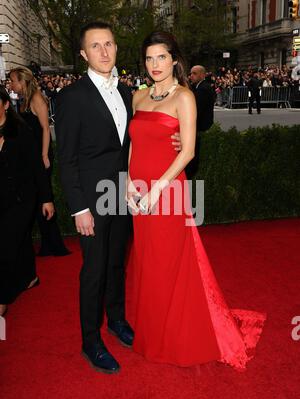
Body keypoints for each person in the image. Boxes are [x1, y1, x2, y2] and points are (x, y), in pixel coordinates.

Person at [126, 31, 266, 370]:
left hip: (168, 187)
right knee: (147, 259)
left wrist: (158, 187)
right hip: (138, 191)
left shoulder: (184, 97)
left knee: (171, 261)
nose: (155, 64)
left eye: (162, 57)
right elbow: (133, 143)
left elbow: (187, 150)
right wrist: (128, 182)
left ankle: (175, 332)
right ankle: (152, 327)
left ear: (174, 58)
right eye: (149, 58)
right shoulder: (139, 97)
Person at [55, 21, 181, 374]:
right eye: (95, 46)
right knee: (93, 270)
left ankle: (117, 321)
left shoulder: (129, 92)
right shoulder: (70, 97)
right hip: (92, 201)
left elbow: (147, 135)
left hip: (125, 194)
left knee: (116, 265)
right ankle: (90, 340)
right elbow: (67, 159)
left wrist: (180, 142)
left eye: (109, 44)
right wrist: (79, 207)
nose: (104, 51)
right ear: (83, 54)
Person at [0, 85, 54, 317]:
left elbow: (36, 167)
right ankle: (30, 276)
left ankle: (2, 301)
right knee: (17, 241)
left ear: (4, 105)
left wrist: (46, 199)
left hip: (22, 199)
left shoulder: (21, 131)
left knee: (4, 247)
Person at [9, 67, 70, 256]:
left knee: (44, 197)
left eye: (13, 80)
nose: (11, 84)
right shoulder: (23, 100)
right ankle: (48, 242)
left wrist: (44, 155)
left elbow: (45, 129)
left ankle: (53, 244)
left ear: (23, 81)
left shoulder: (36, 98)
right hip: (31, 156)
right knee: (37, 199)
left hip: (39, 155)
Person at [186, 65, 215, 178]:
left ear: (202, 75)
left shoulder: (203, 89)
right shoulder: (198, 87)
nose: (191, 76)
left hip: (201, 128)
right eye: (191, 73)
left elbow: (196, 110)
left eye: (194, 73)